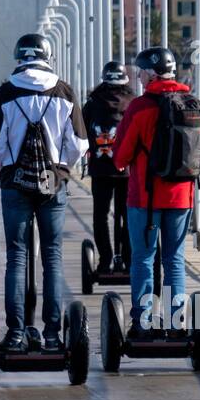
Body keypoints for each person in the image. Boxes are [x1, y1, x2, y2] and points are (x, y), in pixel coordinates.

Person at [0, 33, 88, 352]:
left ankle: (15, 333)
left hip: (15, 181)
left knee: (16, 256)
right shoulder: (64, 91)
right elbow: (80, 145)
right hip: (52, 182)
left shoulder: (5, 93)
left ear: (19, 57)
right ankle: (53, 334)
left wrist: (6, 162)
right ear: (48, 56)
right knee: (53, 257)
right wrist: (60, 165)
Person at [114, 47, 200, 333]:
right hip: (181, 197)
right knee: (174, 259)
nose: (138, 78)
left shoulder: (139, 108)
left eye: (139, 73)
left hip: (144, 198)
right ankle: (176, 322)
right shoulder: (193, 104)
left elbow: (120, 157)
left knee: (143, 258)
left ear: (149, 73)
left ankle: (144, 321)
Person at [83, 61, 136, 273]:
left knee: (101, 215)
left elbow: (82, 134)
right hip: (127, 170)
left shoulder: (92, 103)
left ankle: (105, 260)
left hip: (100, 168)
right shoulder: (133, 103)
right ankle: (127, 258)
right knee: (127, 215)